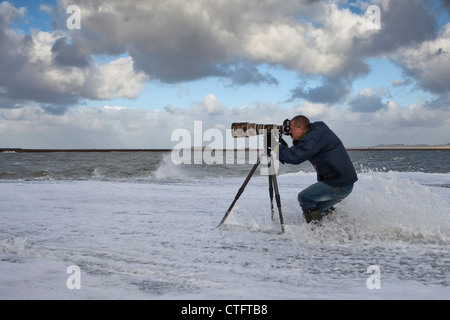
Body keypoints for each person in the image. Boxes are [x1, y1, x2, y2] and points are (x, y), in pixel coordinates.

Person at [278, 115, 357, 223]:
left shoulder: (314, 138)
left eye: (291, 130)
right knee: (318, 208)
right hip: (343, 182)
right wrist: (286, 141)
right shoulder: (317, 133)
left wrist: (274, 147)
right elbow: (300, 148)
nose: (290, 132)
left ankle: (316, 234)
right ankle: (340, 228)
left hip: (339, 184)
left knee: (305, 198)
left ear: (301, 128)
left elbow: (294, 157)